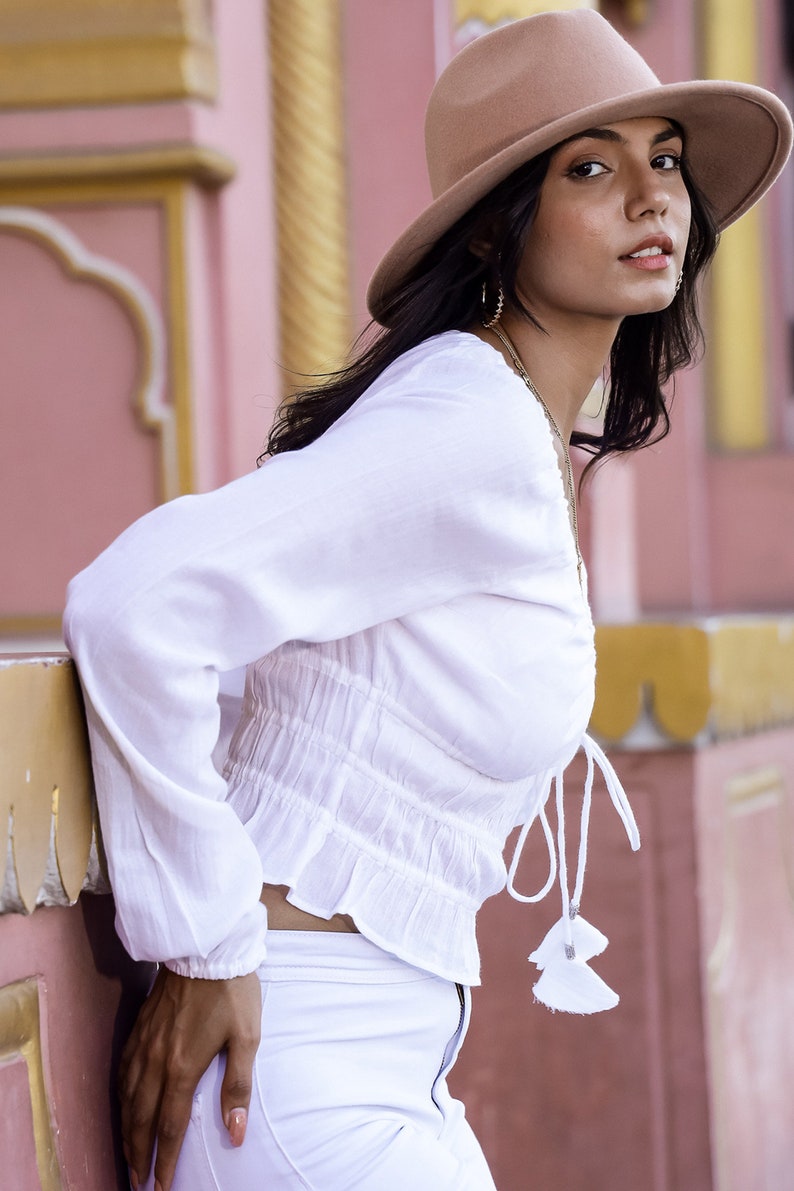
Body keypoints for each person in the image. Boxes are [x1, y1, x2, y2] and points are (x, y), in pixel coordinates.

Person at [63, 9, 792, 1191]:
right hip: (290, 1069)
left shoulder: (503, 422)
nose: (651, 196)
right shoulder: (466, 421)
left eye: (663, 159)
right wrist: (200, 944)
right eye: (589, 169)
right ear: (499, 234)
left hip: (383, 1062)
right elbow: (136, 603)